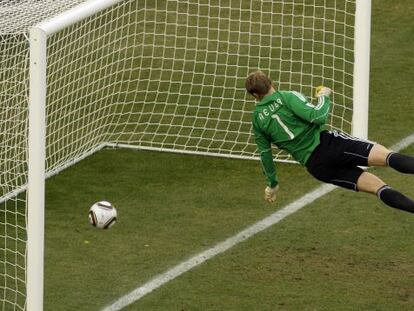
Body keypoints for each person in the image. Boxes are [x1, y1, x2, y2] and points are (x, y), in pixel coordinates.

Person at [245, 70, 414, 213]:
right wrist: (324, 97)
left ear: (254, 95)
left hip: (316, 166)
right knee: (388, 157)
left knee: (379, 188)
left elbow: (265, 155)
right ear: (270, 82)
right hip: (329, 145)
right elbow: (318, 117)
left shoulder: (257, 120)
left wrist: (272, 184)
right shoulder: (288, 97)